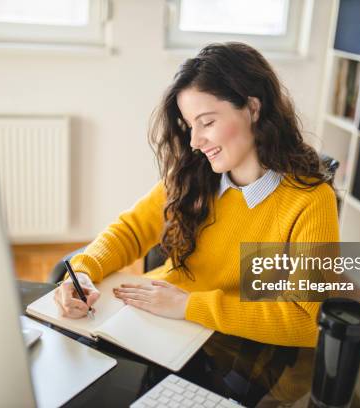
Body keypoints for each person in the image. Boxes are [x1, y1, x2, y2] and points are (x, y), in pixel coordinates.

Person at [54, 42, 339, 347]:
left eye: (207, 122)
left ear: (253, 109)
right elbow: (130, 231)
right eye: (190, 125)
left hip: (229, 347)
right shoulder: (192, 174)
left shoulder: (310, 201)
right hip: (156, 323)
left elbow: (308, 323)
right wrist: (83, 272)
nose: (194, 141)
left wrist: (189, 306)